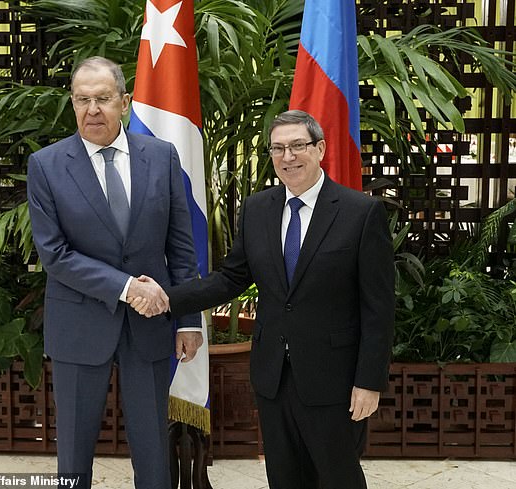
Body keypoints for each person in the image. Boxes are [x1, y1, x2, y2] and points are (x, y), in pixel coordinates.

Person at [131, 110, 394, 489]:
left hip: (334, 380)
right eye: (278, 148)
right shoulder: (258, 209)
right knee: (284, 478)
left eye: (298, 146)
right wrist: (166, 297)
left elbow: (378, 308)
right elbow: (230, 278)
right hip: (273, 376)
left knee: (339, 478)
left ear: (319, 149)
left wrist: (369, 381)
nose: (288, 157)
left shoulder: (361, 213)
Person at [26, 56, 203, 489]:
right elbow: (55, 255)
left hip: (150, 327)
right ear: (72, 104)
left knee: (153, 453)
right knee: (73, 453)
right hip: (79, 325)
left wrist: (189, 319)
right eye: (82, 100)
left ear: (124, 102)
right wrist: (126, 288)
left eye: (103, 99)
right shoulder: (46, 165)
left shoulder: (161, 156)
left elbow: (181, 246)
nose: (92, 110)